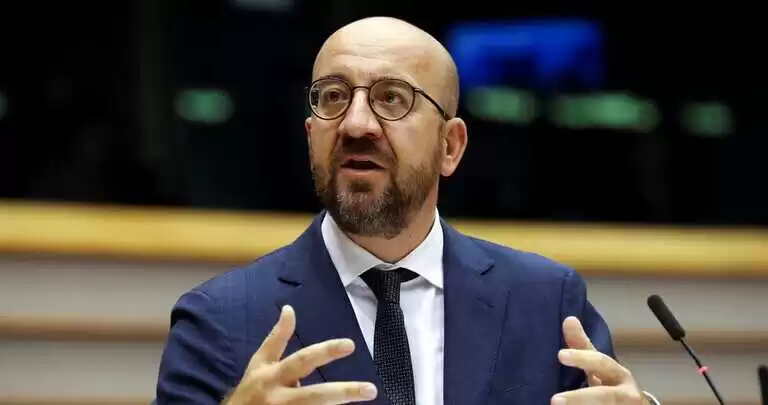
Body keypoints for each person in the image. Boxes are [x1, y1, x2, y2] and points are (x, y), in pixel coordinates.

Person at [155, 16, 660, 405]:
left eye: (392, 99)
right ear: (311, 137)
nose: (355, 124)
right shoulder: (220, 321)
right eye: (333, 97)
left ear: (450, 146)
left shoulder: (546, 304)